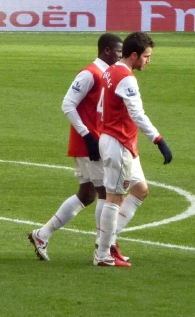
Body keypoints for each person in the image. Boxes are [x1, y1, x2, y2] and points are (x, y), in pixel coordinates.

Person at [28, 34, 124, 262]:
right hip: (90, 143)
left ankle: (42, 235)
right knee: (105, 193)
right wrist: (88, 136)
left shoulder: (107, 75)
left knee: (88, 194)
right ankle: (105, 249)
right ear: (108, 50)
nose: (120, 56)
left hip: (95, 141)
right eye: (119, 51)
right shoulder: (90, 73)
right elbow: (67, 104)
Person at [94, 31, 172, 267]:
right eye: (147, 56)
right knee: (114, 198)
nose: (149, 61)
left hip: (121, 141)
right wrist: (159, 140)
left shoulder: (111, 70)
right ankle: (103, 253)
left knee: (140, 190)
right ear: (135, 55)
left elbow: (102, 106)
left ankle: (109, 243)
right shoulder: (126, 78)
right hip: (118, 142)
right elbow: (137, 113)